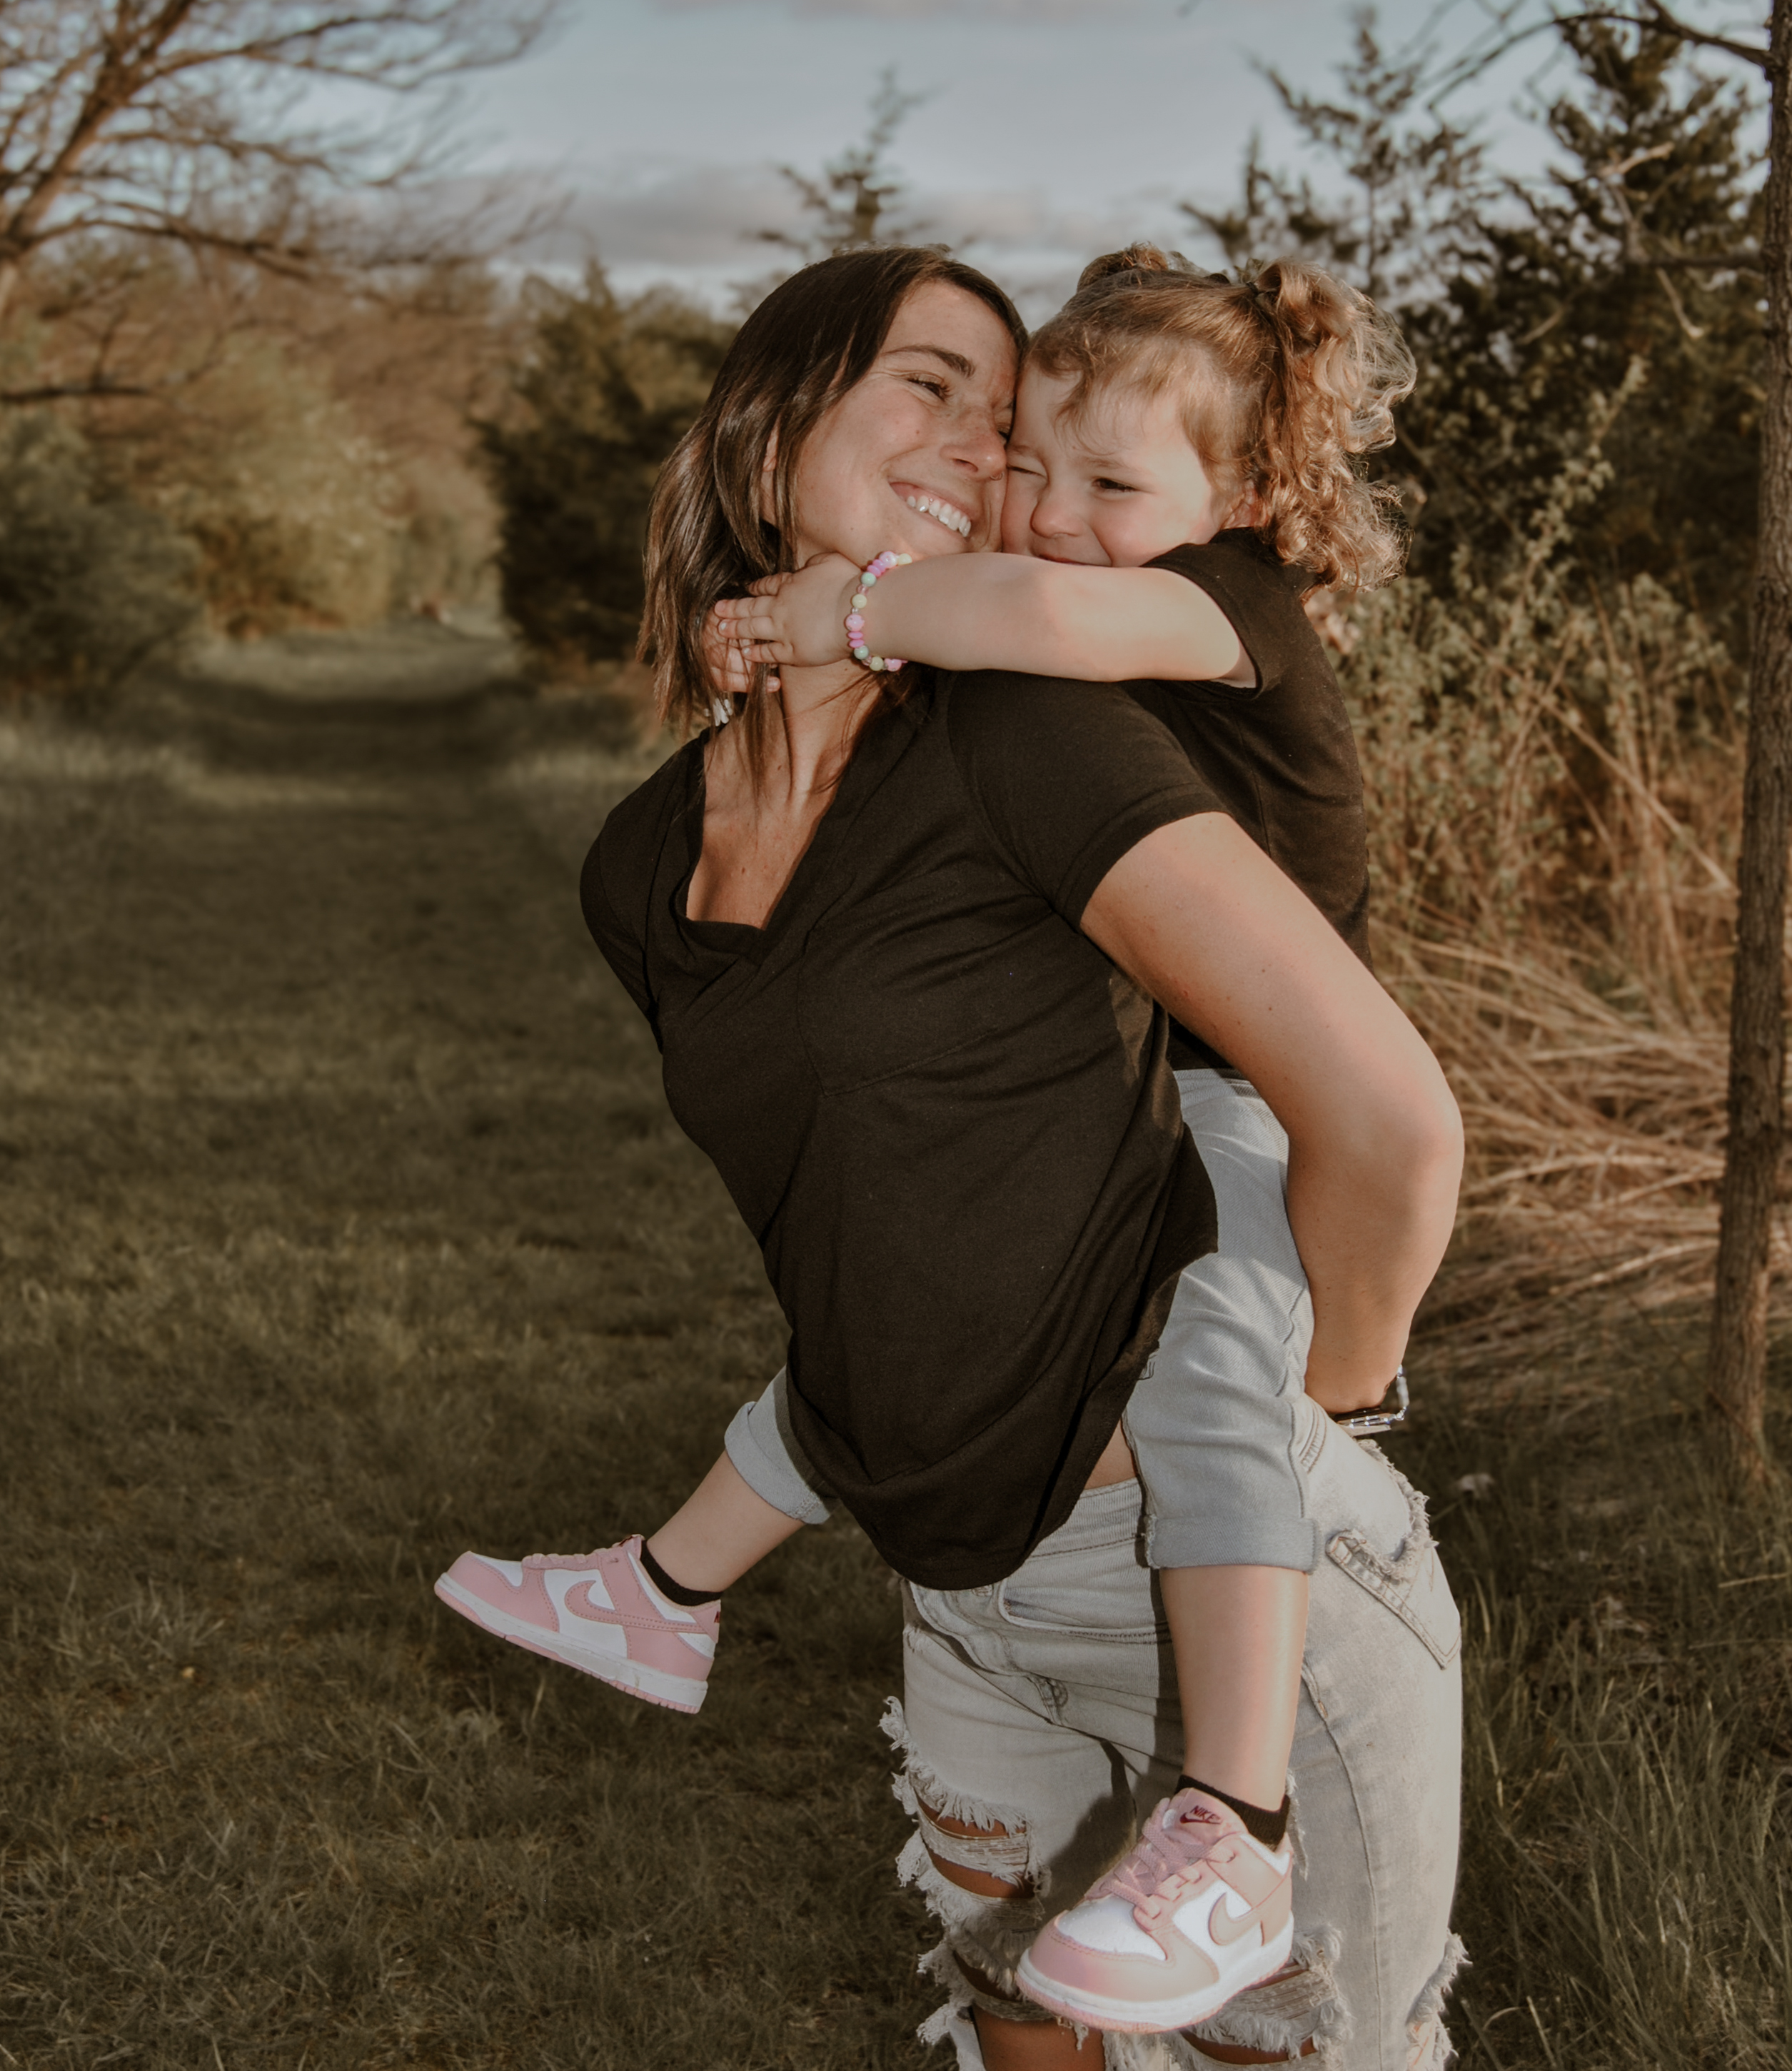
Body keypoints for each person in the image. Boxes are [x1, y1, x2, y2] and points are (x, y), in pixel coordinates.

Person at [436, 246, 1464, 2069]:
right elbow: (881, 1219)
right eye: (939, 391)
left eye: (1019, 428)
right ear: (768, 432)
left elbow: (1384, 1120)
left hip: (1216, 1541)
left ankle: (1234, 1827)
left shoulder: (1041, 721)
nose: (1000, 467)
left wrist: (1335, 1405)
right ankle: (664, 1592)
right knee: (1019, 2038)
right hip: (960, 1580)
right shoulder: (640, 860)